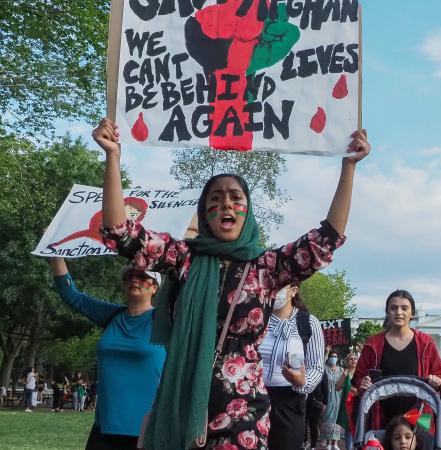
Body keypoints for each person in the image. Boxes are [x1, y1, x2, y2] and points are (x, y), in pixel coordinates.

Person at [92, 117, 370, 450]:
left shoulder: (266, 267)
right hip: (181, 403)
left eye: (235, 198)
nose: (226, 203)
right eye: (216, 198)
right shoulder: (184, 259)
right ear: (205, 212)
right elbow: (120, 233)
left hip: (243, 414)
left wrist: (349, 167)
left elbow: (325, 240)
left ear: (247, 211)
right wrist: (112, 157)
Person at [48, 257, 165, 449]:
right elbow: (72, 296)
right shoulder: (111, 316)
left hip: (148, 430)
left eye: (143, 275)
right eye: (130, 275)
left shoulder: (165, 321)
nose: (135, 279)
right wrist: (55, 252)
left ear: (155, 287)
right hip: (105, 428)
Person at [354, 290, 441, 429]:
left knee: (421, 443)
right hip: (381, 415)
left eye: (404, 308)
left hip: (419, 413)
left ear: (412, 313)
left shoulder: (426, 342)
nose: (399, 312)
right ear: (387, 312)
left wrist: (436, 381)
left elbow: (440, 376)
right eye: (393, 307)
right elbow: (359, 377)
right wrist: (363, 382)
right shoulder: (372, 343)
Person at [260, 283, 326, 450]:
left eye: (279, 286)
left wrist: (303, 382)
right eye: (269, 285)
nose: (273, 290)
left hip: (289, 403)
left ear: (293, 291)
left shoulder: (308, 323)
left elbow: (317, 367)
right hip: (253, 398)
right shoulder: (256, 316)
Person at [320, 351, 344, 449]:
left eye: (335, 356)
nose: (334, 358)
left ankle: (335, 443)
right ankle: (327, 440)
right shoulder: (324, 368)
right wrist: (326, 352)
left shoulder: (341, 369)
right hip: (327, 397)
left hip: (339, 396)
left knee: (337, 418)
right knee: (328, 418)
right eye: (332, 356)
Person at [336, 352, 359, 450]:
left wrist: (356, 391)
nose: (353, 360)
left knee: (358, 427)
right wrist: (343, 376)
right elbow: (337, 388)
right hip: (347, 405)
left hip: (358, 404)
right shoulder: (345, 373)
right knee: (348, 429)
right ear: (347, 362)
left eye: (355, 358)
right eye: (351, 359)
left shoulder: (361, 372)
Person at [306, 369, 328, 450]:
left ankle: (313, 446)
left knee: (313, 425)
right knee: (302, 424)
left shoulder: (321, 370)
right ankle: (304, 442)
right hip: (302, 400)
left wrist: (325, 402)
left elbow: (325, 386)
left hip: (316, 402)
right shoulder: (302, 367)